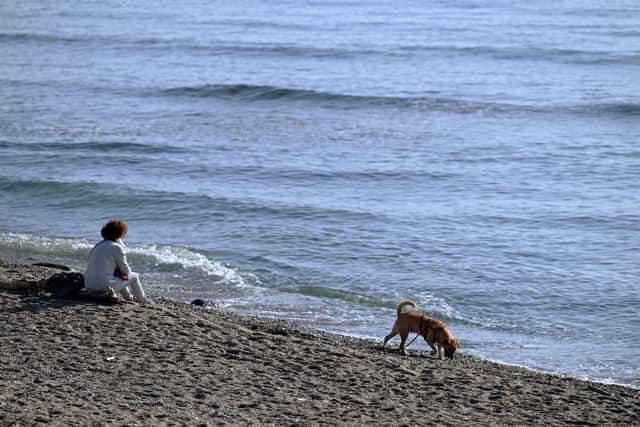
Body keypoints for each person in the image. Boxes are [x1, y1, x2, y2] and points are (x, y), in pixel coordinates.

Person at [85, 219, 148, 304]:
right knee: (134, 277)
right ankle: (143, 301)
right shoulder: (116, 247)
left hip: (89, 286)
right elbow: (126, 271)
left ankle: (129, 298)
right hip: (103, 288)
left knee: (118, 277)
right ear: (120, 234)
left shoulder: (98, 245)